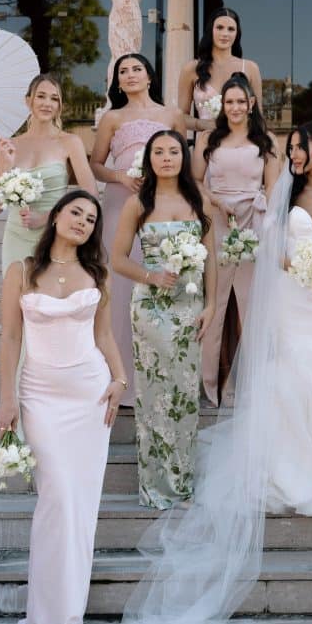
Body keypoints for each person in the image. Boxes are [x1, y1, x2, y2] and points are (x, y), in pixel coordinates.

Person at [122, 121, 312, 624]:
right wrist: (297, 265)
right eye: (290, 150)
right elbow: (270, 246)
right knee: (294, 373)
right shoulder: (281, 193)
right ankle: (289, 469)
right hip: (292, 296)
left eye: (301, 148)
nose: (295, 156)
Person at [0, 190, 126, 624]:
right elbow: (10, 339)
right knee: (57, 499)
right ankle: (45, 619)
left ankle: (68, 617)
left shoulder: (98, 273)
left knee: (81, 506)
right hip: (40, 398)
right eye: (76, 212)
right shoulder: (23, 271)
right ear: (55, 216)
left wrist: (119, 380)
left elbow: (105, 336)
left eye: (91, 219)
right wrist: (7, 398)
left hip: (89, 397)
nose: (83, 222)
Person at [112, 130, 216, 509]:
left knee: (185, 393)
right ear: (149, 159)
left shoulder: (197, 199)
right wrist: (151, 276)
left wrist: (211, 305)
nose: (167, 158)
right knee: (155, 392)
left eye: (174, 151)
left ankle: (183, 482)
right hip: (151, 308)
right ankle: (155, 485)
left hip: (190, 305)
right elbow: (118, 259)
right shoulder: (139, 202)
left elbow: (211, 256)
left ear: (183, 157)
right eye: (159, 151)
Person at [90, 53, 185, 405]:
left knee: (158, 279)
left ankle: (156, 375)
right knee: (119, 288)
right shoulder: (111, 118)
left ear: (149, 76)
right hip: (120, 201)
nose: (130, 75)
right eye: (123, 71)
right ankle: (117, 376)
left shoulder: (171, 115)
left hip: (162, 204)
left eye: (137, 69)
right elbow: (95, 164)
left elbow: (182, 160)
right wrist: (118, 176)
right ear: (117, 82)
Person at [192, 74, 279, 405]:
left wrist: (265, 226)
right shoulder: (208, 139)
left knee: (251, 304)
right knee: (215, 300)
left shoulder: (266, 140)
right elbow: (196, 181)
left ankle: (254, 384)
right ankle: (210, 385)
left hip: (253, 222)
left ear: (252, 104)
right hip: (218, 218)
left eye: (241, 101)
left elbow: (272, 187)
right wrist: (215, 201)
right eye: (229, 102)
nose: (235, 107)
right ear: (222, 105)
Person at [0, 73, 96, 274]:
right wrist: (5, 164)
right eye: (41, 96)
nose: (47, 103)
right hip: (16, 234)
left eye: (54, 98)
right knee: (15, 298)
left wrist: (48, 218)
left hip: (55, 234)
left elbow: (90, 195)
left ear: (60, 105)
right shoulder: (10, 146)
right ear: (28, 100)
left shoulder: (70, 142)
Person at [178, 7, 263, 133]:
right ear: (210, 30)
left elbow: (258, 117)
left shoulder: (250, 68)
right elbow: (180, 117)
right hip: (206, 145)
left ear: (237, 34)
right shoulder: (191, 69)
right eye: (219, 27)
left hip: (241, 144)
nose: (225, 34)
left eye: (231, 29)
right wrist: (202, 124)